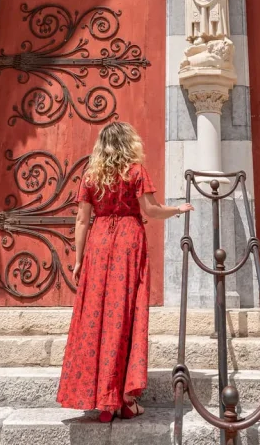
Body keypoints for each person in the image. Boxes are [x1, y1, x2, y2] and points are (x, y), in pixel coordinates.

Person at [57, 121, 194, 422]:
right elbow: (151, 210)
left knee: (96, 315)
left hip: (100, 243)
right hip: (129, 243)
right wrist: (177, 210)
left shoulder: (91, 176)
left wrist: (80, 260)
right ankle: (123, 398)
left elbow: (82, 221)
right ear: (129, 143)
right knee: (124, 315)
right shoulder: (135, 171)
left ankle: (102, 399)